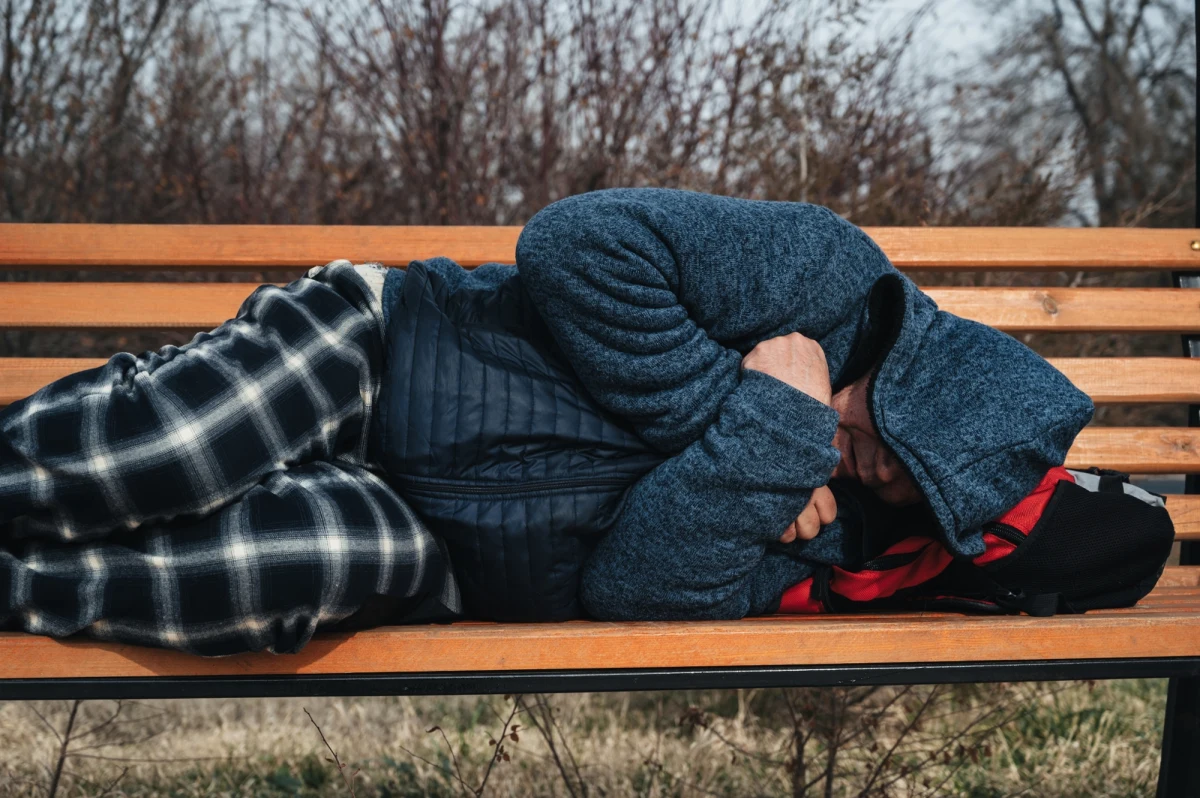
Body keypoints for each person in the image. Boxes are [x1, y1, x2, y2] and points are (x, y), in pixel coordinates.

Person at [0, 188, 1175, 655]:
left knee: (276, 578)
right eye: (875, 443)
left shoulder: (830, 545)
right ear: (931, 382)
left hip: (431, 547)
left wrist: (771, 433)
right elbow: (574, 245)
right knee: (170, 453)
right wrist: (748, 394)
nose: (856, 471)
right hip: (388, 349)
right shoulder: (825, 274)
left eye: (890, 489)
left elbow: (638, 591)